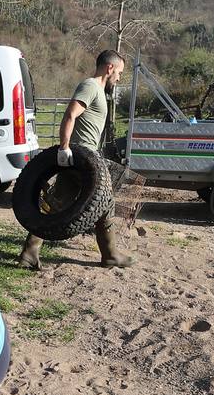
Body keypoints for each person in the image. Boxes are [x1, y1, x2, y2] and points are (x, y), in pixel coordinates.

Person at [19, 49, 131, 270]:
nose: (119, 78)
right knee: (104, 202)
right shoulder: (90, 86)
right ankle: (110, 255)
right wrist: (64, 148)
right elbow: (70, 114)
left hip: (85, 158)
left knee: (59, 202)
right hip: (81, 159)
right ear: (110, 68)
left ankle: (29, 253)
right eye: (119, 72)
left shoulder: (98, 89)